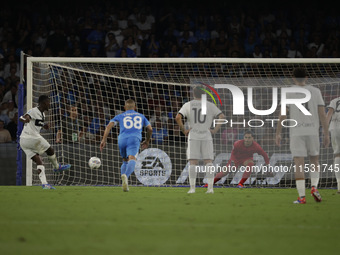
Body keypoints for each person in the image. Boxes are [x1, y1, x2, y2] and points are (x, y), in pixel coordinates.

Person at [275, 67, 330, 204]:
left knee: (299, 164)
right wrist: (326, 132)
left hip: (296, 133)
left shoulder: (288, 92)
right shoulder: (315, 91)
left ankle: (302, 197)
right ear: (306, 77)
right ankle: (314, 187)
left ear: (293, 78)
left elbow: (283, 114)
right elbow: (322, 114)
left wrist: (278, 133)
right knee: (314, 161)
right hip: (312, 131)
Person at [175, 86, 225, 194]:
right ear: (204, 94)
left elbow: (178, 117)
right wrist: (215, 129)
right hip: (206, 134)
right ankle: (210, 189)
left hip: (193, 134)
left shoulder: (188, 104)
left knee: (193, 162)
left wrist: (184, 130)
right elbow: (222, 116)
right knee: (208, 162)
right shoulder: (210, 105)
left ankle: (192, 188)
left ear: (193, 94)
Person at [19, 95, 71, 189]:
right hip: (31, 138)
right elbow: (25, 118)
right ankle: (56, 167)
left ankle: (45, 184)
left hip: (23, 141)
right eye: (48, 102)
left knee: (39, 160)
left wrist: (44, 126)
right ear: (43, 103)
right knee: (50, 150)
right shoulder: (34, 111)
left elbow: (36, 123)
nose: (49, 104)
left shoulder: (42, 114)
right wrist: (23, 119)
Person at [100, 99, 152, 192]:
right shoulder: (141, 116)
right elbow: (150, 129)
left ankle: (124, 184)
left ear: (124, 108)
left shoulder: (120, 116)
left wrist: (104, 140)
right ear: (135, 107)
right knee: (132, 159)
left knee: (125, 161)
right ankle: (126, 177)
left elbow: (108, 126)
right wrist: (147, 141)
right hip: (134, 139)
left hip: (122, 139)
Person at [205, 130, 270, 188]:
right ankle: (210, 184)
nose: (247, 139)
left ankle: (240, 184)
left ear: (253, 138)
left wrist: (268, 166)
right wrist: (233, 161)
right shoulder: (237, 144)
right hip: (235, 158)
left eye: (249, 138)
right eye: (246, 137)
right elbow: (233, 153)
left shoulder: (256, 146)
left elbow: (265, 155)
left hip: (246, 159)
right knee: (225, 171)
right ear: (243, 137)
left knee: (251, 164)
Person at [326, 96, 340, 193]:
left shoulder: (335, 101)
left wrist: (325, 129)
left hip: (335, 128)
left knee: (337, 154)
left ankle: (339, 184)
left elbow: (329, 114)